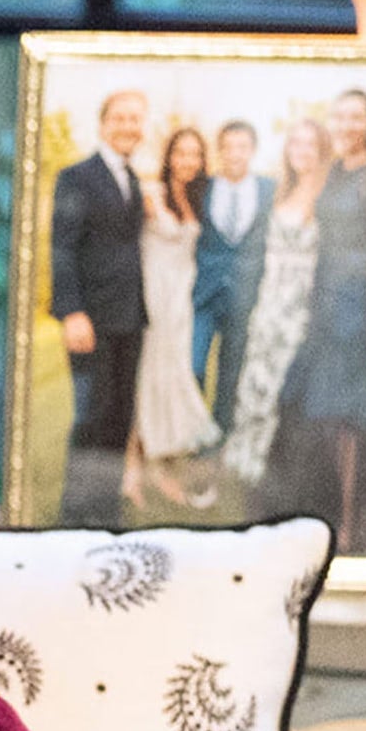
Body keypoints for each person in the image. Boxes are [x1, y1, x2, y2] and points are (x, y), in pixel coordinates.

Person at [272, 88, 366, 550]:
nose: (347, 125)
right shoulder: (330, 172)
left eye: (356, 117)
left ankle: (350, 525)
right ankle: (323, 514)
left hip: (357, 304)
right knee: (319, 414)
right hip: (321, 297)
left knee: (350, 420)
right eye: (340, 117)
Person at [47, 88, 151, 523]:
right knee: (91, 417)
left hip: (130, 319)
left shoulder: (133, 180)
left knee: (118, 419)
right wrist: (72, 312)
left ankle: (105, 513)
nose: (128, 126)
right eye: (120, 118)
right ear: (104, 124)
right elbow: (63, 248)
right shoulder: (77, 177)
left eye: (135, 119)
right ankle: (76, 516)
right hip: (91, 319)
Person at [221, 118, 327, 495]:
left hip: (301, 308)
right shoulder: (283, 191)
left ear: (322, 149)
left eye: (309, 144)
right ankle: (250, 460)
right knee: (256, 382)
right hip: (269, 304)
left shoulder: (327, 196)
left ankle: (284, 469)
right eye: (295, 143)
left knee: (287, 388)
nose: (301, 151)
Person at [127, 125, 219, 508]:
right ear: (169, 156)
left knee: (172, 378)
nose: (188, 161)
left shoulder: (199, 198)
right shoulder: (152, 194)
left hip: (182, 301)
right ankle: (134, 471)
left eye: (195, 154)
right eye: (181, 153)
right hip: (155, 298)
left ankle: (159, 468)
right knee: (148, 379)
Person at [189, 119, 272, 432]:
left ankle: (221, 430)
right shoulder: (202, 187)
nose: (235, 154)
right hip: (203, 295)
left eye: (242, 147)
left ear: (253, 150)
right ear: (219, 151)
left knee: (232, 369)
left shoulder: (269, 189)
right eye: (228, 147)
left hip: (245, 294)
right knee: (194, 363)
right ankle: (195, 427)